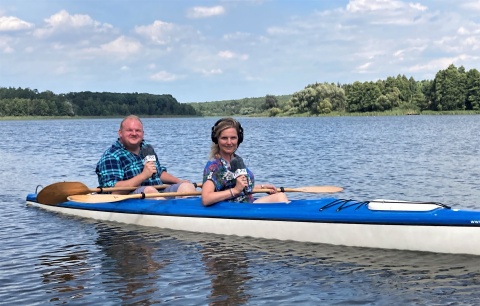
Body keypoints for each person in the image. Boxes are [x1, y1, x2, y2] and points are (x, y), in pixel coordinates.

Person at [96, 115, 196, 197]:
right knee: (150, 191)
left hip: (159, 191)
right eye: (129, 130)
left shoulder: (147, 148)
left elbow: (159, 173)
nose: (134, 133)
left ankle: (191, 215)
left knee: (187, 187)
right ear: (120, 133)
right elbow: (114, 191)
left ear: (143, 133)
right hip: (130, 198)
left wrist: (179, 181)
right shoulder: (111, 156)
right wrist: (143, 175)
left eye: (138, 131)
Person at [201, 117, 289, 206]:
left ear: (239, 139)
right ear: (216, 140)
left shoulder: (236, 160)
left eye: (233, 138)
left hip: (247, 205)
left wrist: (262, 187)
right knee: (280, 198)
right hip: (233, 209)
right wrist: (235, 190)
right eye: (224, 138)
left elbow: (241, 188)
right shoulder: (214, 166)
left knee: (279, 197)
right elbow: (206, 198)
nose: (229, 142)